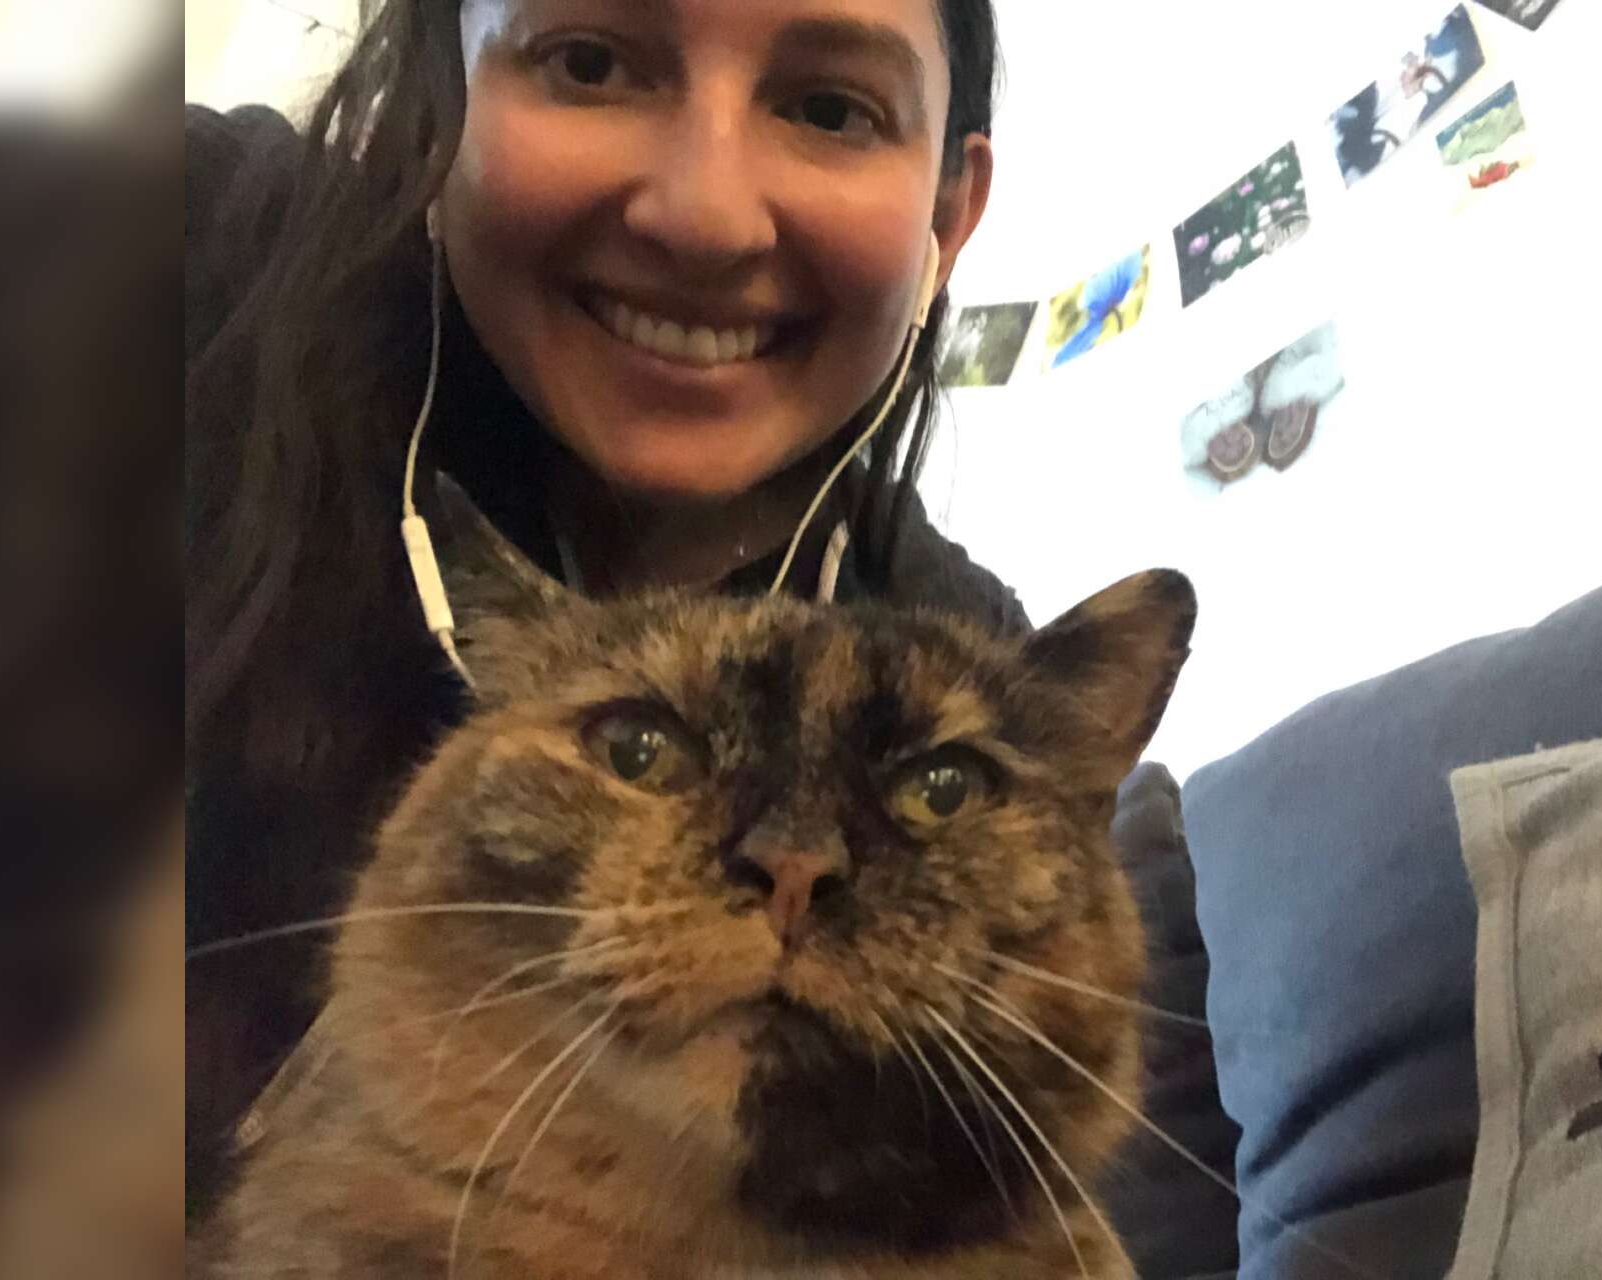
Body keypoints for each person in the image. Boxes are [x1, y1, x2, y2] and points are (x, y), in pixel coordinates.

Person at [184, 0, 1016, 1214]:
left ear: (948, 215)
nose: (704, 217)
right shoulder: (180, 257)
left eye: (830, 108)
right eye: (589, 62)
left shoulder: (974, 681)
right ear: (438, 92)